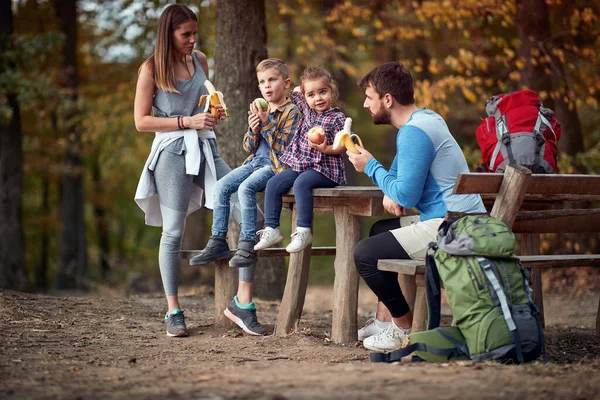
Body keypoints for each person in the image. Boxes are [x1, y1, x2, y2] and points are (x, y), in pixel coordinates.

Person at [347, 62, 486, 353]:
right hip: (462, 220)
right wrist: (392, 187)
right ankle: (384, 323)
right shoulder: (425, 120)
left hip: (451, 227)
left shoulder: (413, 132)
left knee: (364, 253)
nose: (365, 104)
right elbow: (399, 183)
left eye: (370, 97)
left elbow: (405, 197)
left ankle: (403, 328)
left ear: (387, 99)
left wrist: (370, 166)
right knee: (379, 230)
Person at [133, 4, 243, 337]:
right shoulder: (151, 69)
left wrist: (211, 112)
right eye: (186, 34)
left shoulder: (201, 60)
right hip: (172, 154)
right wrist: (186, 121)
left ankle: (242, 300)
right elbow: (141, 122)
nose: (193, 39)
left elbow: (202, 102)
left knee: (241, 199)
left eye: (195, 33)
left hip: (205, 148)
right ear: (169, 34)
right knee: (174, 232)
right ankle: (173, 311)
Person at [188, 58, 301, 335]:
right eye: (262, 82)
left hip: (275, 166)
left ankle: (248, 242)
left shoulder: (291, 112)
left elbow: (285, 147)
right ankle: (217, 240)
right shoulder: (260, 109)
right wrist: (253, 128)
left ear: (285, 83)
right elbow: (248, 145)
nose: (266, 86)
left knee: (245, 189)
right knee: (222, 186)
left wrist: (267, 125)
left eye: (272, 80)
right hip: (254, 162)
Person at [254, 67, 347, 253]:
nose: (318, 98)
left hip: (325, 169)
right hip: (302, 165)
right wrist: (305, 90)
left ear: (332, 91)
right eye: (311, 95)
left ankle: (303, 230)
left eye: (323, 92)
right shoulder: (306, 109)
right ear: (305, 98)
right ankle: (272, 229)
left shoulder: (338, 118)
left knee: (301, 183)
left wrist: (326, 148)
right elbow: (296, 91)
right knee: (273, 183)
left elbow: (343, 146)